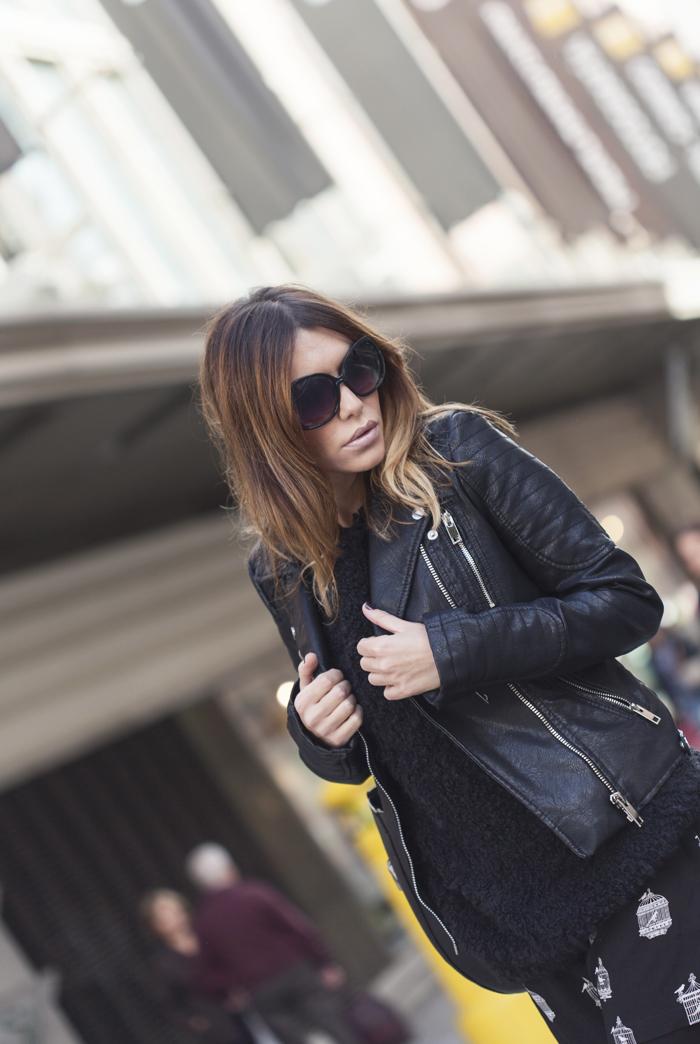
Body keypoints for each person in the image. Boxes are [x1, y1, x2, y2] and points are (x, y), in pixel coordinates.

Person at [198, 283, 700, 1044]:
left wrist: (456, 650)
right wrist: (318, 737)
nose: (355, 405)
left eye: (358, 372)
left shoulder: (456, 454)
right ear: (267, 432)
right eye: (313, 401)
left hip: (629, 838)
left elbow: (625, 600)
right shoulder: (282, 572)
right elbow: (372, 753)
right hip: (512, 915)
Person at [185, 843, 363, 1044]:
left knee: (294, 1038)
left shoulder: (203, 922)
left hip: (259, 991)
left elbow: (205, 974)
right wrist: (323, 962)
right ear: (229, 869)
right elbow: (298, 928)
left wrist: (230, 987)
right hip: (294, 972)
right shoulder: (255, 894)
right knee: (333, 1024)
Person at [140, 888, 255, 1044]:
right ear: (156, 925)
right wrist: (195, 1022)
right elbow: (168, 1004)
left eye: (176, 910)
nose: (175, 917)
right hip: (219, 1028)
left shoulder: (207, 937)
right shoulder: (162, 964)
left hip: (250, 1009)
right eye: (165, 916)